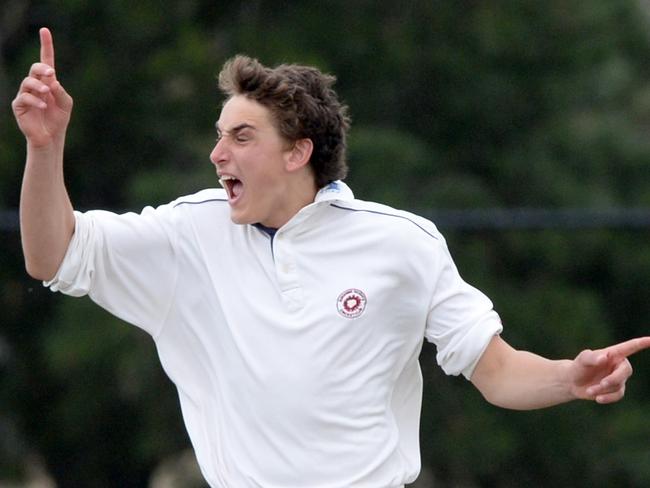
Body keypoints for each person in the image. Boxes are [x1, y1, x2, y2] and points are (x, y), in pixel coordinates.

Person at [12, 27, 650, 488]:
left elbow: (497, 371)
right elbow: (51, 256)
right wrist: (45, 149)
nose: (218, 154)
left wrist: (570, 377)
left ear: (298, 153)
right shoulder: (186, 235)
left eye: (241, 136)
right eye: (217, 136)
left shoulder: (404, 243)